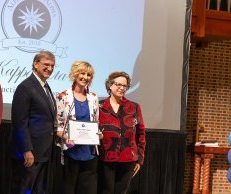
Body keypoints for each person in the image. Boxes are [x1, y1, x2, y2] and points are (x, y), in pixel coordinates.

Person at [10, 50, 57, 194]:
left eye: (52, 66)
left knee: (38, 190)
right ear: (36, 64)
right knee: (23, 189)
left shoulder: (45, 86)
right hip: (30, 153)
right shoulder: (25, 87)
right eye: (46, 64)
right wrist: (26, 150)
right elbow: (20, 122)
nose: (49, 68)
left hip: (43, 152)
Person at [56, 61, 100, 194]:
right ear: (75, 74)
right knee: (68, 190)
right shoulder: (63, 96)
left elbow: (96, 124)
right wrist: (66, 137)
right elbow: (57, 126)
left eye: (89, 75)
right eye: (82, 73)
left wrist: (99, 134)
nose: (85, 77)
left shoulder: (93, 98)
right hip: (71, 152)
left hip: (89, 153)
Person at [98, 71, 146, 194]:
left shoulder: (134, 107)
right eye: (118, 84)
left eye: (125, 86)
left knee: (121, 192)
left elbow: (141, 134)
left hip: (128, 159)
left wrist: (139, 159)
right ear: (110, 85)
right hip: (105, 157)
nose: (121, 88)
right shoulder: (99, 106)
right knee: (105, 191)